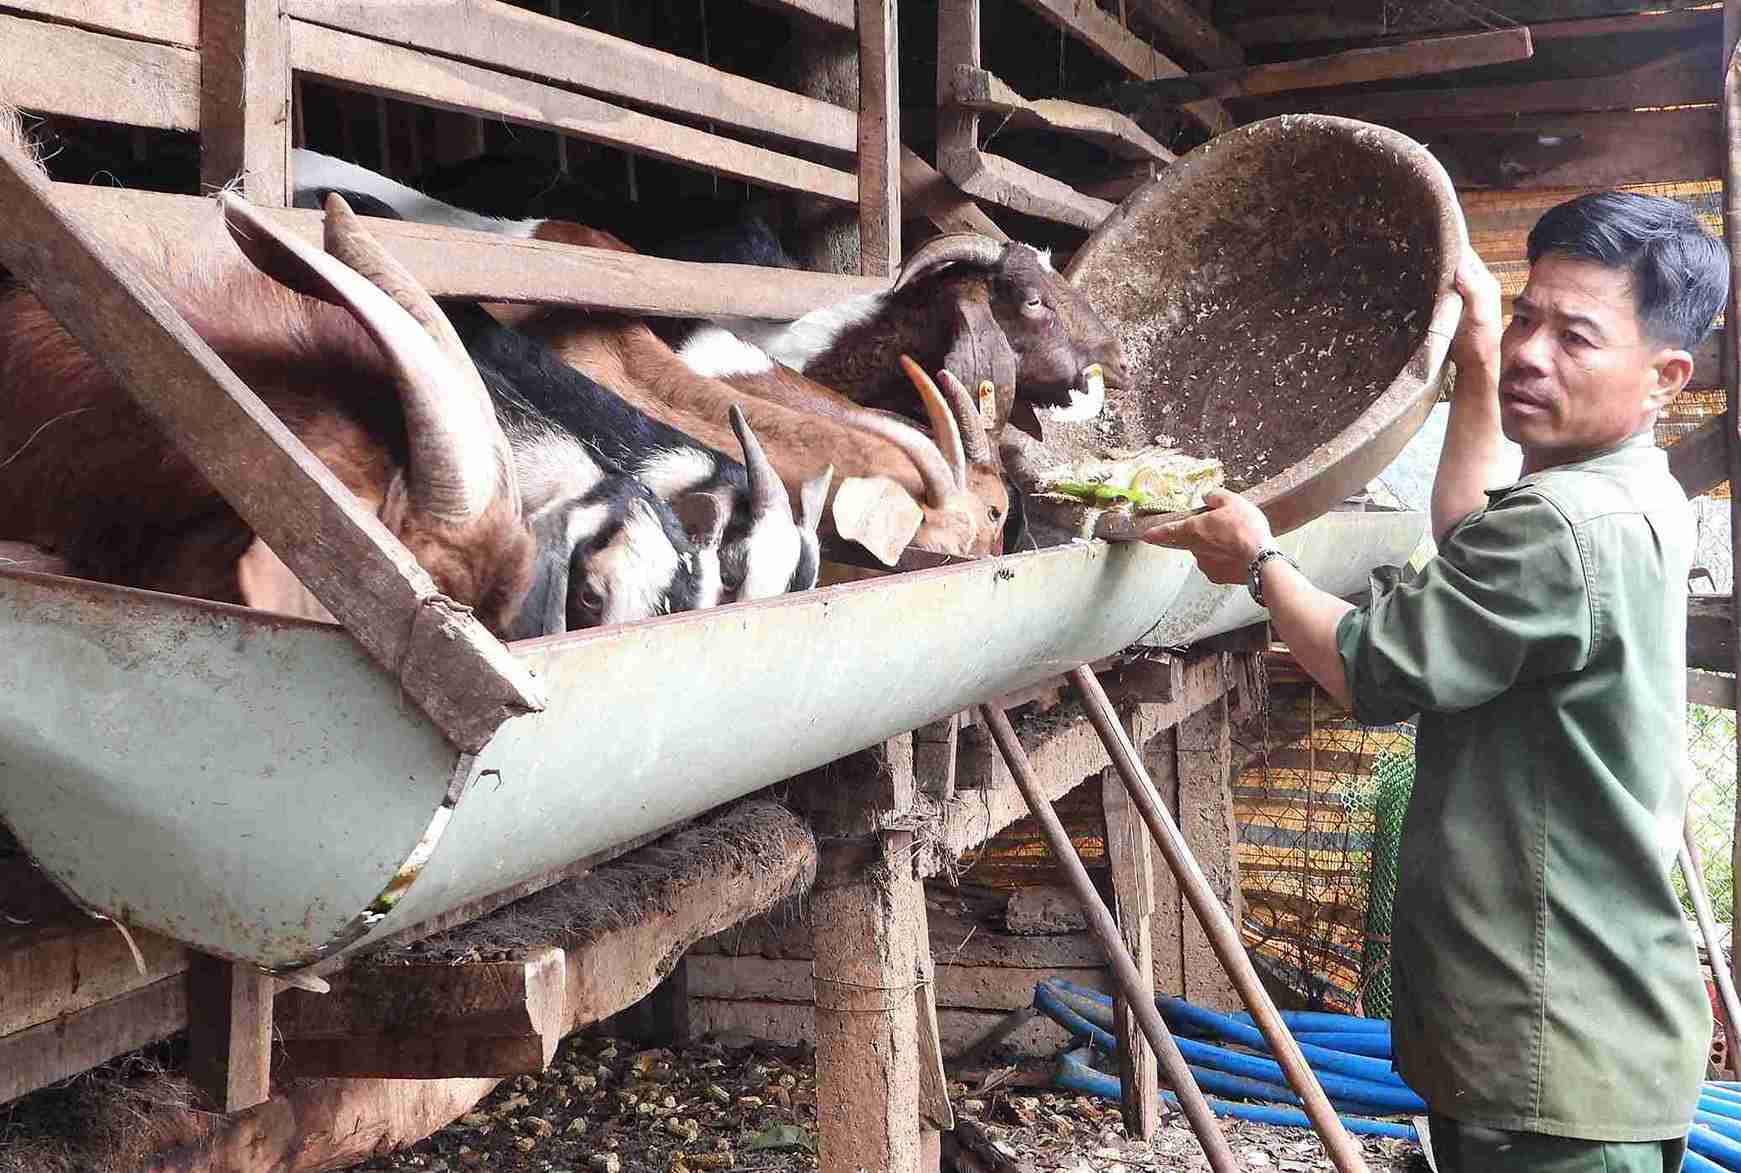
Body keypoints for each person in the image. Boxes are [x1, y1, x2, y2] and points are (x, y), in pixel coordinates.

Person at [1146, 191, 1730, 1172]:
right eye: (1526, 317)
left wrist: (1259, 564)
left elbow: (1373, 671)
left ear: (1664, 376)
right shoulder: (1628, 492)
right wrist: (1471, 361)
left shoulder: (1566, 526)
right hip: (1587, 1039)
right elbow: (1467, 540)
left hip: (1550, 1053)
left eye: (1576, 337)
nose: (1533, 354)